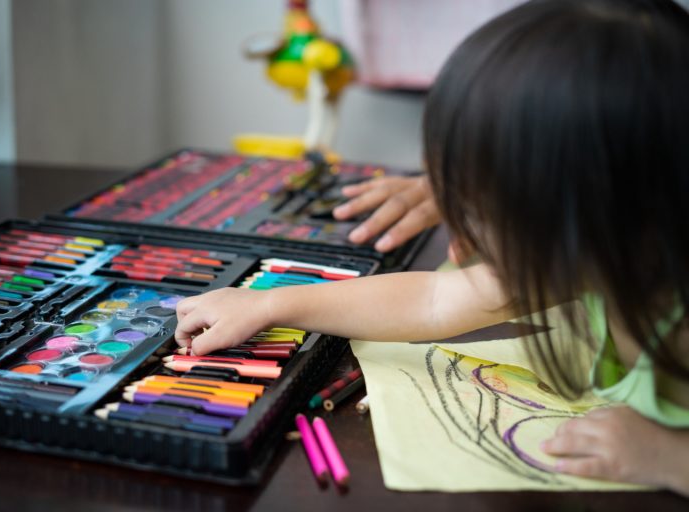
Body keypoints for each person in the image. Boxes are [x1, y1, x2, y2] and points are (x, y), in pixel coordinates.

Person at [175, 0, 689, 494]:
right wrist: (270, 303)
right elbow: (433, 300)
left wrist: (665, 454)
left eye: (476, 205)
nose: (459, 231)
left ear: (586, 215)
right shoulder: (591, 258)